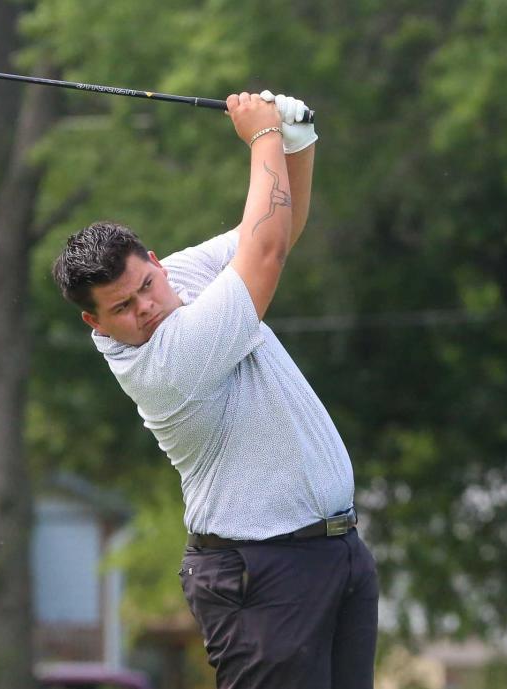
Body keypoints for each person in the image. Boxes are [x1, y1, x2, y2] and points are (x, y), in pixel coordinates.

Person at [51, 90, 378, 689]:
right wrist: (261, 139)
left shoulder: (184, 273)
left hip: (333, 551)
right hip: (262, 571)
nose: (145, 307)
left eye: (146, 284)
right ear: (95, 324)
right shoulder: (163, 362)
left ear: (155, 261)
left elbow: (280, 224)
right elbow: (268, 253)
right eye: (122, 308)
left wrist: (295, 142)